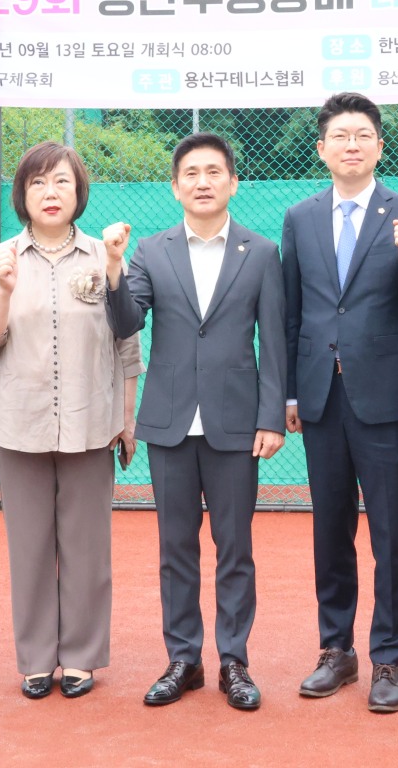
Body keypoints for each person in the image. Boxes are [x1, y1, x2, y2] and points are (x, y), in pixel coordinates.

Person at [106, 133, 287, 712]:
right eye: (191, 172)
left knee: (235, 548)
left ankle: (234, 659)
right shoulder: (151, 252)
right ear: (175, 186)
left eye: (214, 171)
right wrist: (112, 268)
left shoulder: (260, 252)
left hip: (237, 423)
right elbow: (124, 320)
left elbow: (274, 343)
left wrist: (272, 416)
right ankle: (183, 658)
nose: (203, 181)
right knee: (175, 547)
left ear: (234, 182)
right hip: (169, 422)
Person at [0, 142, 141, 700]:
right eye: (38, 183)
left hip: (92, 421)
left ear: (78, 190)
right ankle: (37, 659)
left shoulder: (104, 254)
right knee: (30, 545)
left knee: (87, 545)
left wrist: (127, 418)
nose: (50, 193)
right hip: (20, 421)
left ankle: (83, 657)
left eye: (61, 181)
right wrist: (6, 293)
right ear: (23, 195)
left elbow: (128, 343)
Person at [281, 91, 398, 714]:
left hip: (384, 398)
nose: (352, 144)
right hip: (321, 396)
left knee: (390, 535)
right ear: (322, 149)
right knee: (330, 530)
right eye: (340, 135)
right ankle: (335, 651)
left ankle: (388, 659)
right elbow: (293, 310)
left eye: (363, 135)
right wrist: (291, 391)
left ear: (379, 146)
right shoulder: (299, 216)